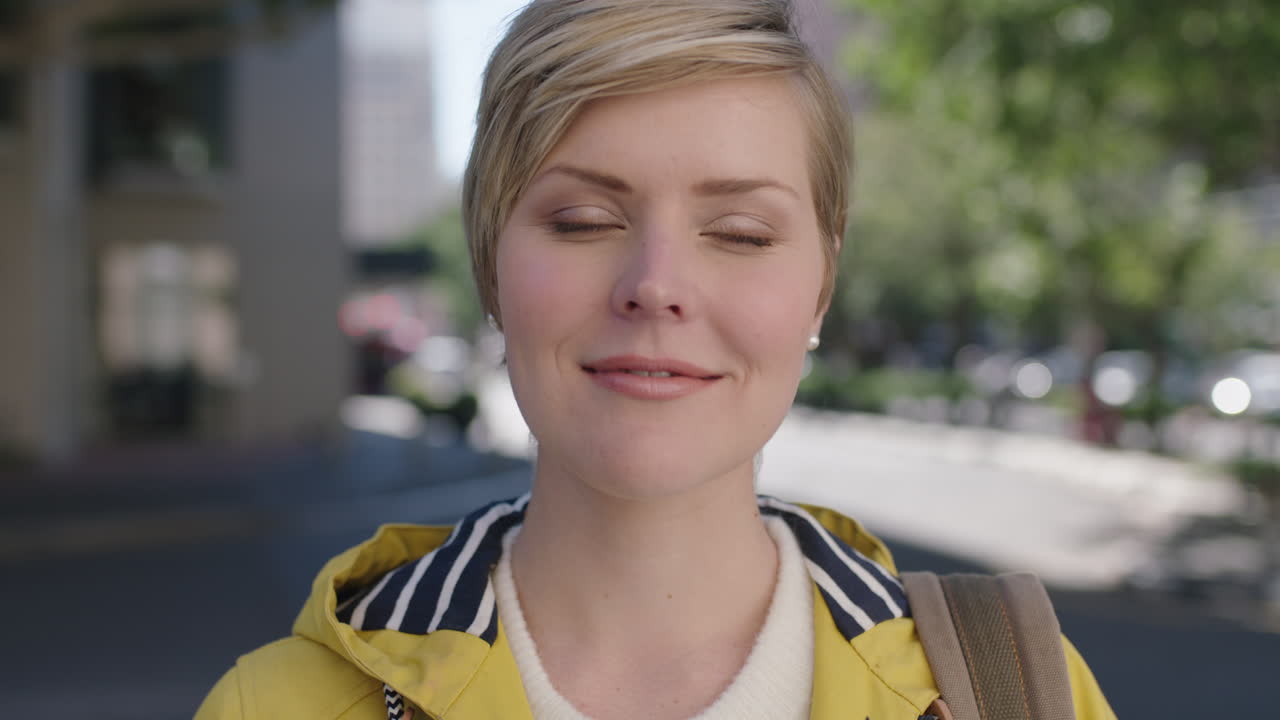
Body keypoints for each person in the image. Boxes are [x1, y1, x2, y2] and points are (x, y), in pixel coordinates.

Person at [196, 1, 1116, 718]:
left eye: (742, 234)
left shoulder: (1017, 689)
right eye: (585, 221)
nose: (656, 285)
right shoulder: (277, 707)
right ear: (490, 262)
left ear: (823, 286)